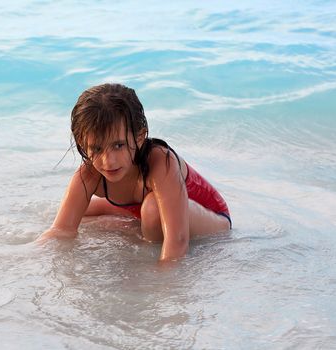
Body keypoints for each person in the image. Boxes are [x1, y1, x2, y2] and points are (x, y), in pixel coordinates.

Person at [38, 83, 231, 262]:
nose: (108, 161)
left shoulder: (160, 161)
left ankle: (146, 229)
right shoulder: (89, 175)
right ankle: (140, 225)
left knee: (153, 209)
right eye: (97, 149)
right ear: (83, 144)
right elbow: (61, 230)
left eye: (119, 145)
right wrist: (26, 260)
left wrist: (158, 282)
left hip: (210, 218)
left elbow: (178, 240)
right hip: (142, 208)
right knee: (80, 212)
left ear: (139, 137)